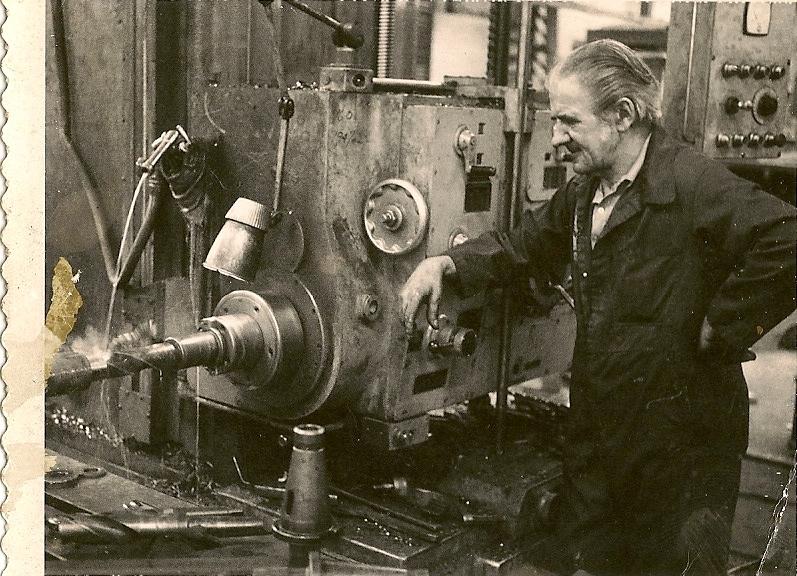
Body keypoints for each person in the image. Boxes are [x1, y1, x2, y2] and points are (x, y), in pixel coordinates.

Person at [399, 40, 796, 576]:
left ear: (622, 116)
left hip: (680, 443)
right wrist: (446, 265)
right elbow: (525, 244)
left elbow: (788, 236)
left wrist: (719, 328)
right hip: (602, 421)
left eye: (568, 121)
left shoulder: (689, 181)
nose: (556, 137)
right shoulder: (589, 189)